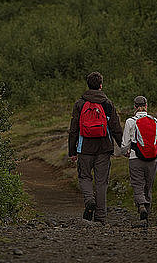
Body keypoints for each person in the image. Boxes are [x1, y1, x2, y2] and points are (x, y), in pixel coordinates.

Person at [68, 71, 123, 224]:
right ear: (100, 85)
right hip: (104, 148)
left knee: (84, 177)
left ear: (88, 85)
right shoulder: (107, 103)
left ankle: (89, 200)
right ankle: (100, 217)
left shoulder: (79, 104)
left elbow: (73, 129)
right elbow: (115, 127)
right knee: (101, 182)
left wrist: (72, 152)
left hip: (84, 148)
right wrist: (123, 146)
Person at [121, 95, 157, 221]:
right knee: (148, 186)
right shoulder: (154, 121)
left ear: (134, 107)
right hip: (152, 159)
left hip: (135, 158)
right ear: (146, 106)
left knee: (137, 184)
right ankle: (147, 215)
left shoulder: (130, 121)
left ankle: (141, 205)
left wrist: (125, 153)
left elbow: (125, 143)